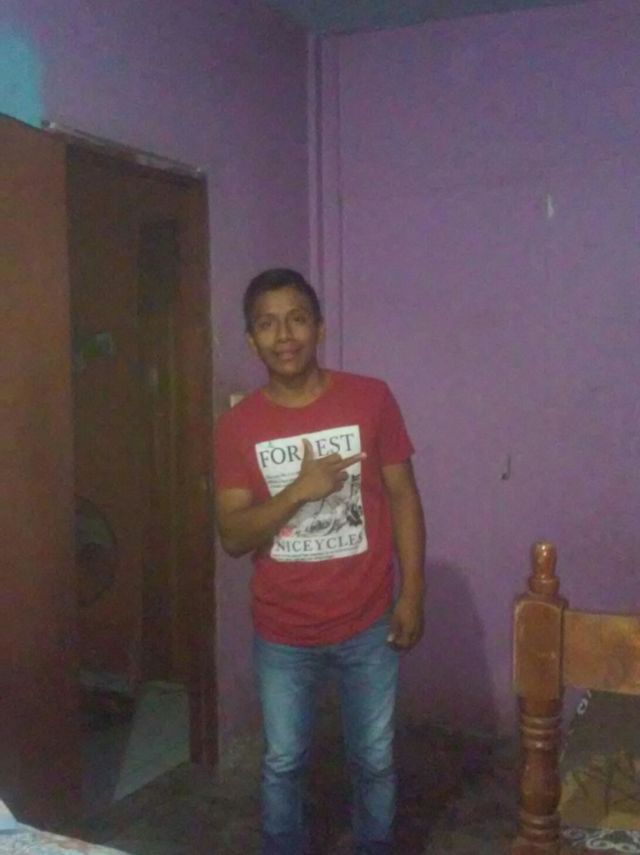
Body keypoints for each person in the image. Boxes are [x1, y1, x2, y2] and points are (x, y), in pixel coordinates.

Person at [214, 268, 426, 855]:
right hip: (282, 629)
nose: (284, 335)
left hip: (368, 621)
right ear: (251, 339)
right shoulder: (237, 427)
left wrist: (412, 594)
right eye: (267, 324)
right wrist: (298, 492)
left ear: (320, 328)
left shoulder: (370, 398)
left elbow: (404, 497)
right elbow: (232, 535)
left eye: (297, 319)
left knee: (374, 760)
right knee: (283, 762)